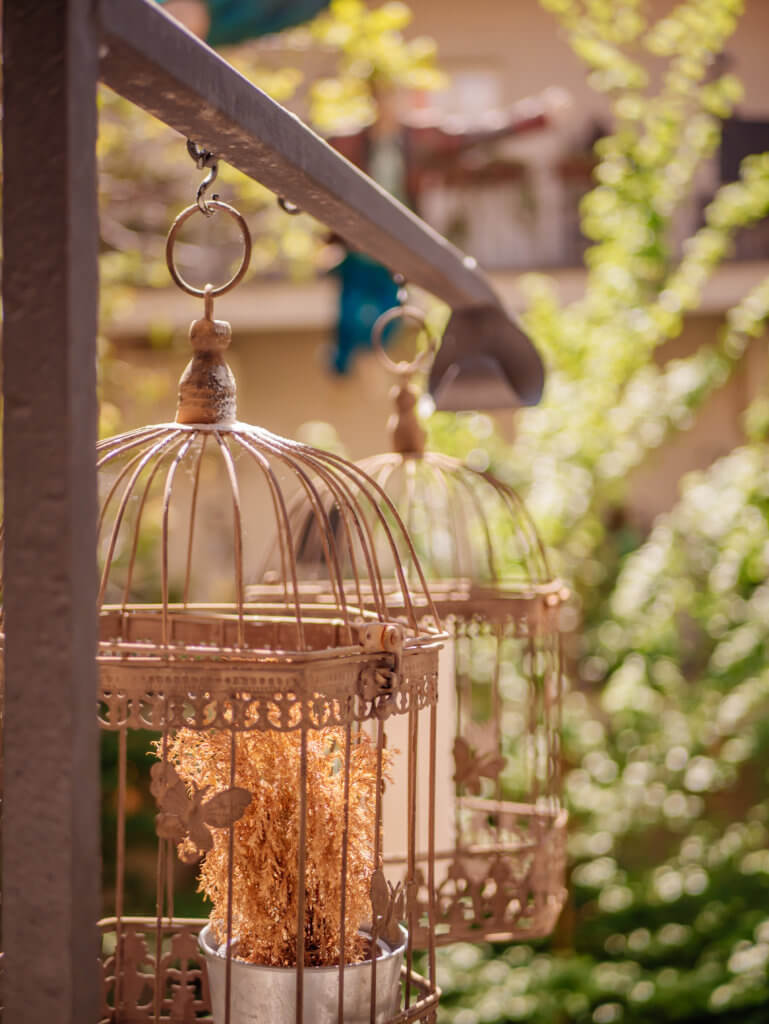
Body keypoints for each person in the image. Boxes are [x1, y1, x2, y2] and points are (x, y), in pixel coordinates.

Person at [326, 78, 570, 372]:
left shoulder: (419, 137)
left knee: (390, 314)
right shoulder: (351, 140)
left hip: (397, 243)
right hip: (359, 246)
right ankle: (343, 365)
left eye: (393, 99)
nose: (387, 107)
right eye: (381, 99)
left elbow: (477, 134)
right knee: (350, 313)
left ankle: (377, 365)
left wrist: (538, 117)